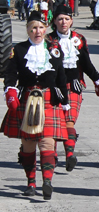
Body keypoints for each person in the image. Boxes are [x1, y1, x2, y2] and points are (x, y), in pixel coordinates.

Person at [1, 11, 70, 200]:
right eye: (33, 28)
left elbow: (61, 78)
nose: (37, 32)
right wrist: (10, 91)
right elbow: (11, 74)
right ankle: (31, 183)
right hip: (27, 99)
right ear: (28, 30)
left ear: (45, 28)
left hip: (49, 100)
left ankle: (47, 182)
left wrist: (65, 102)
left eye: (40, 27)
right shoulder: (19, 50)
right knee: (29, 144)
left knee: (47, 142)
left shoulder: (54, 49)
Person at [46, 5, 99, 172]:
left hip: (73, 85)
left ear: (71, 20)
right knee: (55, 121)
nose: (63, 22)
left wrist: (97, 81)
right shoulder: (48, 40)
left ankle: (70, 154)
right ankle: (54, 155)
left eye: (66, 18)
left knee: (68, 120)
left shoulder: (79, 39)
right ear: (54, 22)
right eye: (60, 19)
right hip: (54, 85)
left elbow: (86, 63)